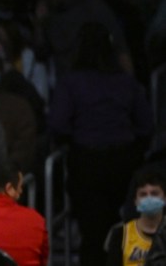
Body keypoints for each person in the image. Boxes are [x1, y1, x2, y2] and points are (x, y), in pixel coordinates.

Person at [48, 22, 154, 266]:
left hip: (87, 162)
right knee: (130, 228)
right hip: (125, 162)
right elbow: (146, 125)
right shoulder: (126, 83)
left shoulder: (71, 82)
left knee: (93, 235)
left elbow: (59, 125)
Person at [104, 169, 165, 266]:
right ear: (135, 201)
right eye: (143, 194)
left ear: (164, 197)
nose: (149, 199)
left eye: (154, 194)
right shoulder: (121, 234)